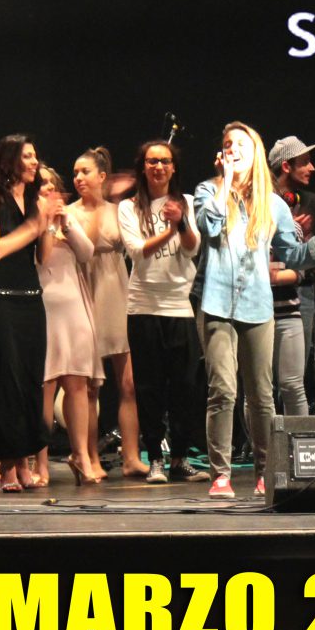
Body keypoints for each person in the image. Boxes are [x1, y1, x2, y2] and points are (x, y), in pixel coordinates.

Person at [194, 122, 315, 499]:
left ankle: (266, 471)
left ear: (256, 153)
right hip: (216, 302)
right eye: (228, 144)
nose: (234, 150)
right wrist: (226, 181)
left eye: (241, 145)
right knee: (223, 390)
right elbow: (208, 226)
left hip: (257, 305)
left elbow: (293, 256)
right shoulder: (208, 191)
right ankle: (221, 475)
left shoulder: (273, 204)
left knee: (261, 394)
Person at [118, 140, 207, 484]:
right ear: (143, 167)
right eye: (152, 161)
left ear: (173, 167)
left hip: (179, 306)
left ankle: (180, 458)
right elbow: (138, 252)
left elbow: (192, 248)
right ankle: (155, 457)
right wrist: (170, 229)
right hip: (143, 306)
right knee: (149, 387)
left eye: (165, 161)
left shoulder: (186, 202)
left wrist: (181, 223)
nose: (158, 167)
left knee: (185, 386)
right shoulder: (128, 207)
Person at [0, 134, 52, 492]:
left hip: (31, 299)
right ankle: (7, 465)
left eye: (35, 156)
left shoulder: (36, 201)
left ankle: (24, 463)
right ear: (9, 160)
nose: (35, 162)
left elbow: (43, 257)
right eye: (28, 156)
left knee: (31, 383)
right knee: (7, 382)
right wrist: (34, 226)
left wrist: (49, 223)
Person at [68, 147, 142, 476]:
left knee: (128, 383)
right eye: (75, 173)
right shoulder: (69, 212)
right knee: (89, 387)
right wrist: (102, 203)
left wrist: (116, 201)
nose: (78, 178)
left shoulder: (120, 210)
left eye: (85, 172)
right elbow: (86, 244)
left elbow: (138, 245)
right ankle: (89, 457)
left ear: (101, 176)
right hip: (85, 293)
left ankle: (131, 457)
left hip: (116, 292)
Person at [38, 166, 104, 484]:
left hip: (74, 307)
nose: (48, 191)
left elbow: (87, 253)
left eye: (52, 186)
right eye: (41, 186)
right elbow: (41, 257)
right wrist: (50, 225)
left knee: (77, 384)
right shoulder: (29, 220)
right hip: (42, 308)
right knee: (44, 386)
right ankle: (39, 462)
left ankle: (81, 456)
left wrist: (66, 223)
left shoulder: (67, 217)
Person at [267, 135, 315, 414]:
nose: (312, 168)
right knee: (262, 384)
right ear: (286, 166)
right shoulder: (261, 204)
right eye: (305, 162)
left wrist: (304, 245)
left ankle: (295, 437)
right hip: (262, 298)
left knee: (293, 380)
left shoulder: (313, 202)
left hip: (299, 295)